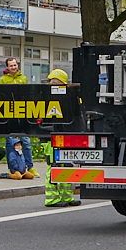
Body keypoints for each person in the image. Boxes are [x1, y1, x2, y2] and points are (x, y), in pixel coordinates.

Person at [43, 69, 79, 206]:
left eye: (58, 83)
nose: (54, 85)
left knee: (67, 167)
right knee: (53, 166)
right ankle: (51, 198)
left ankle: (66, 197)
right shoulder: (44, 98)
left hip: (64, 137)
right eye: (53, 82)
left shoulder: (67, 97)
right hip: (50, 138)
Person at [0, 57, 37, 178]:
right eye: (11, 66)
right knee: (10, 142)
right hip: (8, 112)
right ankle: (12, 169)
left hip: (22, 112)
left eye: (15, 65)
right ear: (7, 67)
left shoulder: (23, 79)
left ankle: (30, 166)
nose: (13, 67)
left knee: (25, 140)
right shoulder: (3, 80)